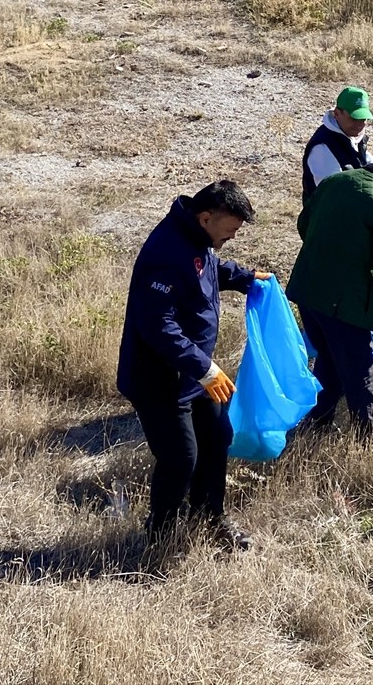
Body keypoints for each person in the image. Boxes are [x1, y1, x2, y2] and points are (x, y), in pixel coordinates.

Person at [116, 180, 269, 552]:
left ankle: (210, 519)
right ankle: (160, 536)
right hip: (160, 379)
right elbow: (158, 325)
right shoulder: (166, 251)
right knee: (181, 457)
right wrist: (205, 368)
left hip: (195, 375)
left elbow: (209, 269)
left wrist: (246, 278)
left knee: (218, 437)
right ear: (205, 217)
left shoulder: (198, 238)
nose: (232, 237)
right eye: (230, 229)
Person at [286, 144, 373, 443]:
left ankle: (316, 423)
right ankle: (370, 440)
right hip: (343, 300)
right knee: (361, 368)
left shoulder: (335, 181)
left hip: (309, 290)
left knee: (330, 358)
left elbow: (304, 224)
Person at [301, 85, 373, 203]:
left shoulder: (352, 134)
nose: (359, 124)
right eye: (354, 118)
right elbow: (334, 192)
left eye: (363, 119)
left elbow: (365, 162)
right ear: (337, 114)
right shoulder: (322, 148)